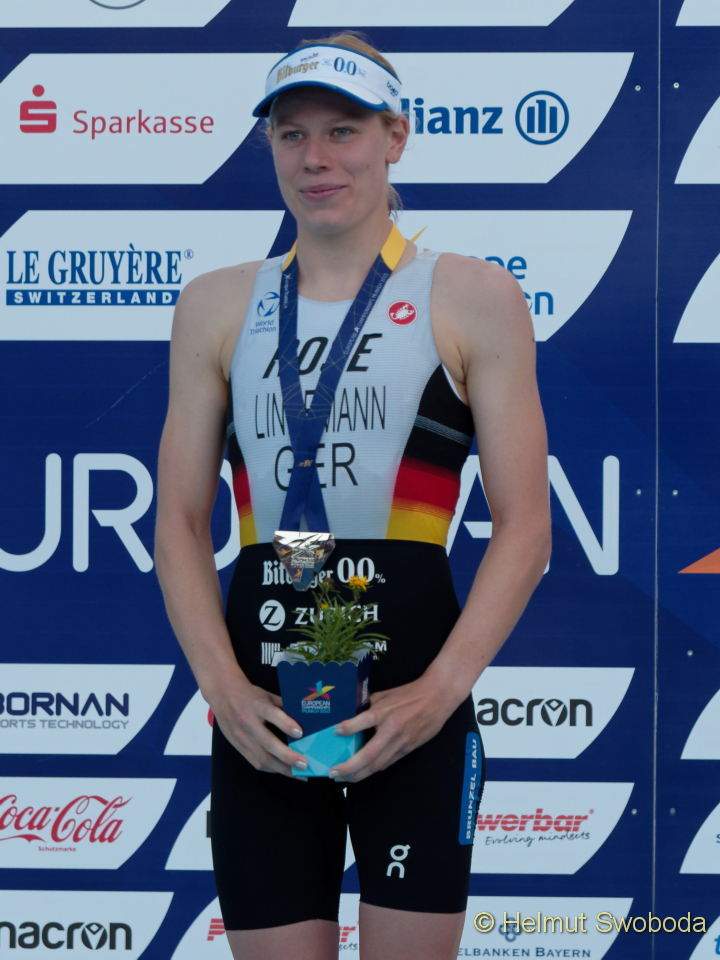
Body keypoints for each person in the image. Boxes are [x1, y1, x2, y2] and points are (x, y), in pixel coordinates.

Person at [154, 30, 551, 960]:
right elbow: (178, 520)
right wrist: (222, 690)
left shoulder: (473, 296)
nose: (316, 159)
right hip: (261, 714)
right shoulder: (216, 303)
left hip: (414, 709)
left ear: (395, 138)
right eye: (292, 135)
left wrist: (439, 694)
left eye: (343, 131)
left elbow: (526, 527)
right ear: (270, 145)